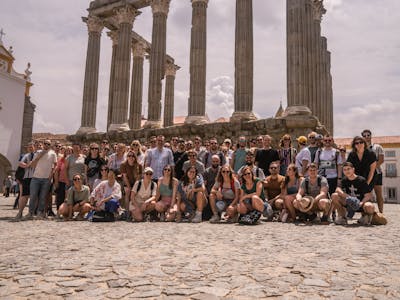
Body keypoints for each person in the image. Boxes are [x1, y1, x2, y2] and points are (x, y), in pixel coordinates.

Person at [25, 140, 57, 219]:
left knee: (43, 197)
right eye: (45, 143)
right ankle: (30, 213)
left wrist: (51, 174)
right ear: (43, 144)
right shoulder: (37, 152)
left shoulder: (53, 154)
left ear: (50, 145)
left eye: (48, 144)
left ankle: (40, 213)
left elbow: (56, 165)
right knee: (33, 196)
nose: (46, 145)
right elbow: (32, 165)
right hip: (36, 177)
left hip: (46, 179)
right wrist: (39, 156)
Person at [362, 129, 385, 213]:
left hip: (377, 173)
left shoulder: (378, 147)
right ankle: (368, 213)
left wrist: (372, 168)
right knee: (367, 194)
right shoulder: (362, 148)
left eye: (368, 135)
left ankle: (381, 213)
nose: (366, 137)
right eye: (364, 136)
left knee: (378, 193)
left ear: (371, 136)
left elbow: (381, 160)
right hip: (366, 174)